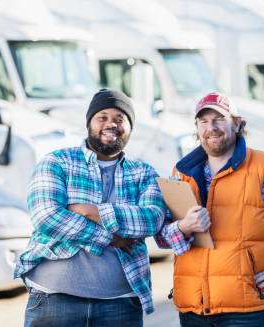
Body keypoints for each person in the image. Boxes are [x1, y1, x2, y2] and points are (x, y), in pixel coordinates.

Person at [155, 92, 264, 327]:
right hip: (193, 308)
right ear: (197, 128)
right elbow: (162, 236)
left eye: (219, 119)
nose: (211, 127)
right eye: (203, 121)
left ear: (237, 124)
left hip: (244, 311)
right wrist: (183, 227)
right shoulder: (181, 173)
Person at [14, 88, 166, 327]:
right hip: (55, 300)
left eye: (119, 119)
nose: (111, 124)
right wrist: (111, 237)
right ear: (89, 124)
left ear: (130, 128)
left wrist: (88, 210)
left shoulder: (144, 173)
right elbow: (47, 217)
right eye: (102, 117)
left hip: (120, 305)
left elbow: (151, 220)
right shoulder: (57, 162)